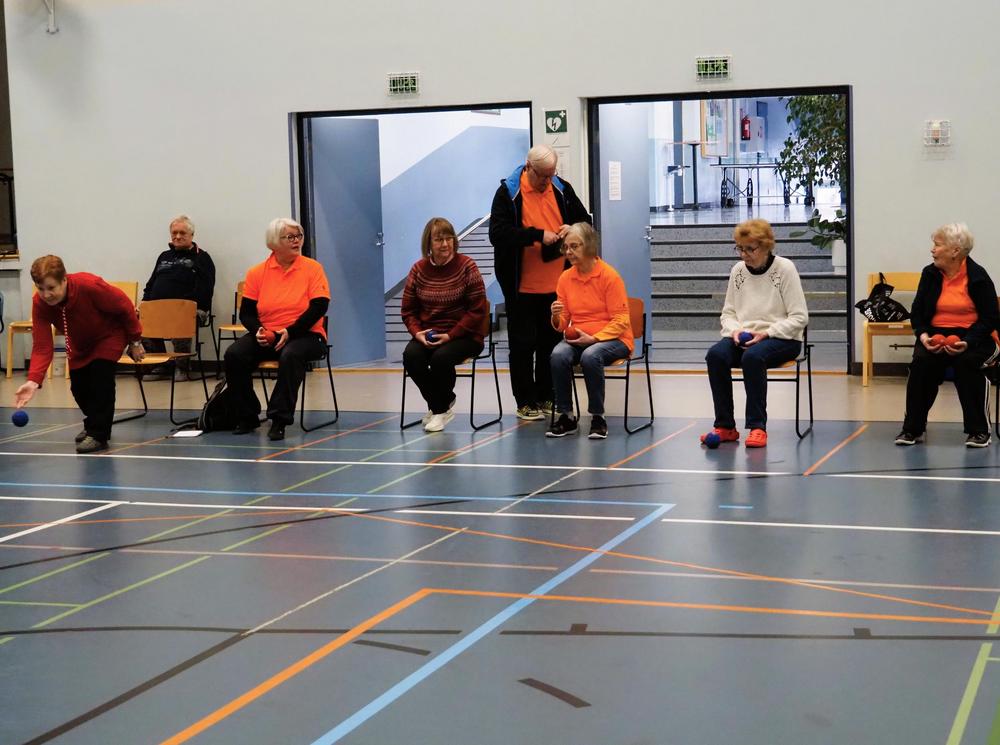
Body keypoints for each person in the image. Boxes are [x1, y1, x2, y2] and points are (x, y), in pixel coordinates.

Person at [490, 144, 592, 422]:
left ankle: (547, 395)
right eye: (543, 175)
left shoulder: (562, 189)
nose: (548, 180)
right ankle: (525, 401)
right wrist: (536, 235)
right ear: (528, 167)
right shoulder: (508, 193)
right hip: (520, 287)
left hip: (557, 286)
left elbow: (585, 221)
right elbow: (498, 234)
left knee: (550, 344)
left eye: (551, 174)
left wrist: (573, 229)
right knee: (523, 345)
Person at [13, 255, 145, 454]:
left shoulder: (89, 285)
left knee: (100, 380)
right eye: (40, 288)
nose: (46, 294)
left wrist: (135, 341)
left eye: (51, 288)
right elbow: (42, 346)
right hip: (79, 343)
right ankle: (93, 422)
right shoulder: (40, 304)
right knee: (79, 388)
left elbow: (125, 306)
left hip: (109, 334)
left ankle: (98, 434)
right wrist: (33, 381)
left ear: (64, 280)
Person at [701, 219, 808, 449]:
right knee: (716, 355)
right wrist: (735, 330)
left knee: (753, 357)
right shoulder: (738, 271)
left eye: (750, 249)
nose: (744, 255)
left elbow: (799, 317)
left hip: (782, 338)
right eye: (740, 248)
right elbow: (728, 313)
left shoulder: (785, 269)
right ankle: (725, 426)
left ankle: (757, 427)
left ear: (766, 246)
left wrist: (767, 333)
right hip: (745, 335)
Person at [224, 218, 330, 441]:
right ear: (274, 242)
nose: (296, 241)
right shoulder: (257, 272)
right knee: (234, 354)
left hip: (306, 335)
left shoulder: (313, 268)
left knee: (291, 355)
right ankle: (247, 415)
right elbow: (247, 313)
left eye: (299, 236)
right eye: (290, 237)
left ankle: (279, 419)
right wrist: (258, 331)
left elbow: (319, 306)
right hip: (269, 333)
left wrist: (290, 332)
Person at [895, 223, 1000, 448]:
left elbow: (990, 318)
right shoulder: (930, 274)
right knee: (922, 362)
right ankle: (912, 428)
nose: (932, 249)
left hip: (976, 336)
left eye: (937, 245)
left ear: (955, 251)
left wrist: (968, 342)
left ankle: (979, 431)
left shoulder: (978, 277)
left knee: (967, 362)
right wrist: (924, 337)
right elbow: (917, 312)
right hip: (936, 335)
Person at [401, 217, 488, 432]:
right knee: (411, 356)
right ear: (428, 243)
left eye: (449, 238)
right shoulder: (418, 270)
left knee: (440, 358)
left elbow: (477, 310)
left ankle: (438, 411)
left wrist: (451, 335)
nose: (445, 244)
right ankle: (442, 404)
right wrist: (417, 333)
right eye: (439, 240)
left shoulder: (467, 266)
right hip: (429, 333)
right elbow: (408, 311)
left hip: (465, 335)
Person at [547, 223, 633, 440]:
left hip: (614, 338)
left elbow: (621, 320)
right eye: (566, 247)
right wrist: (556, 316)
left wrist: (594, 338)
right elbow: (562, 322)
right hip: (581, 337)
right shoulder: (565, 278)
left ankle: (598, 417)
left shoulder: (609, 276)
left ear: (589, 246)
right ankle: (566, 416)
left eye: (574, 246)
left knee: (590, 355)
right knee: (558, 355)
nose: (568, 252)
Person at [141, 215, 215, 364]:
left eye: (182, 233)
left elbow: (205, 289)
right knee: (138, 320)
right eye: (174, 233)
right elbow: (151, 284)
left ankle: (182, 366)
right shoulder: (164, 256)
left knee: (179, 317)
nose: (178, 236)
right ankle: (161, 363)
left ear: (191, 235)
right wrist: (144, 304)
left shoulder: (202, 258)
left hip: (189, 310)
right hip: (158, 309)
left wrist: (182, 306)